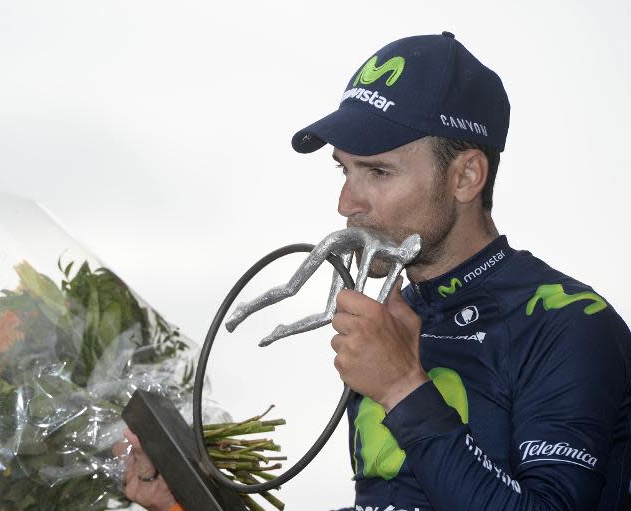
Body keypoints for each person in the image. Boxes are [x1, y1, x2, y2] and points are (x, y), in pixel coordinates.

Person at [124, 31, 631, 510]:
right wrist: (181, 496)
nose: (347, 202)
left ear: (467, 176)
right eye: (345, 169)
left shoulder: (567, 321)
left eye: (379, 172)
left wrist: (401, 389)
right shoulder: (396, 318)